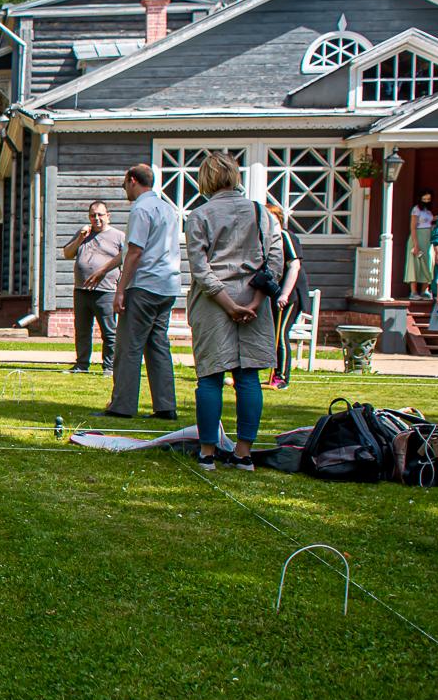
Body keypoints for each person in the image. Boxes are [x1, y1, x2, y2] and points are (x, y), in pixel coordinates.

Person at [185, 153, 282, 471]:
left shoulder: (199, 215)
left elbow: (201, 268)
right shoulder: (262, 212)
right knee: (248, 377)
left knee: (210, 378)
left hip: (214, 304)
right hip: (253, 300)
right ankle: (243, 453)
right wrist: (254, 301)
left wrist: (227, 303)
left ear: (206, 180)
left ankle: (208, 452)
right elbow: (275, 259)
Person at [103, 164, 184, 421]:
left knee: (129, 346)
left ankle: (122, 406)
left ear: (133, 180)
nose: (125, 189)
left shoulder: (140, 208)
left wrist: (120, 289)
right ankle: (165, 405)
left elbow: (135, 251)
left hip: (144, 284)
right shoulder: (168, 209)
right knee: (158, 345)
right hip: (168, 285)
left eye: (125, 184)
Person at [61, 201, 126, 375]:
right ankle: (82, 364)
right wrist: (80, 239)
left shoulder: (119, 236)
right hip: (81, 290)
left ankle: (109, 366)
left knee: (109, 332)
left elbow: (127, 258)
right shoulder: (84, 233)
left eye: (100, 215)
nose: (96, 218)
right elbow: (67, 254)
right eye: (93, 215)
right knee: (82, 330)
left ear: (108, 216)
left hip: (106, 290)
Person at [266, 201, 307, 389]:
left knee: (281, 334)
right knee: (272, 334)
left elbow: (294, 265)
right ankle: (272, 373)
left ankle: (281, 376)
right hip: (274, 294)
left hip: (289, 295)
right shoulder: (266, 239)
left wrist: (284, 294)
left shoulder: (285, 236)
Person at [407, 190, 436, 299]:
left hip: (428, 238)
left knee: (428, 262)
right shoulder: (416, 209)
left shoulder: (428, 211)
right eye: (424, 199)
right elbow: (413, 227)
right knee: (415, 263)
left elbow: (429, 222)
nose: (426, 201)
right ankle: (413, 292)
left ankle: (425, 290)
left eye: (428, 199)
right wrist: (415, 244)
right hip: (417, 237)